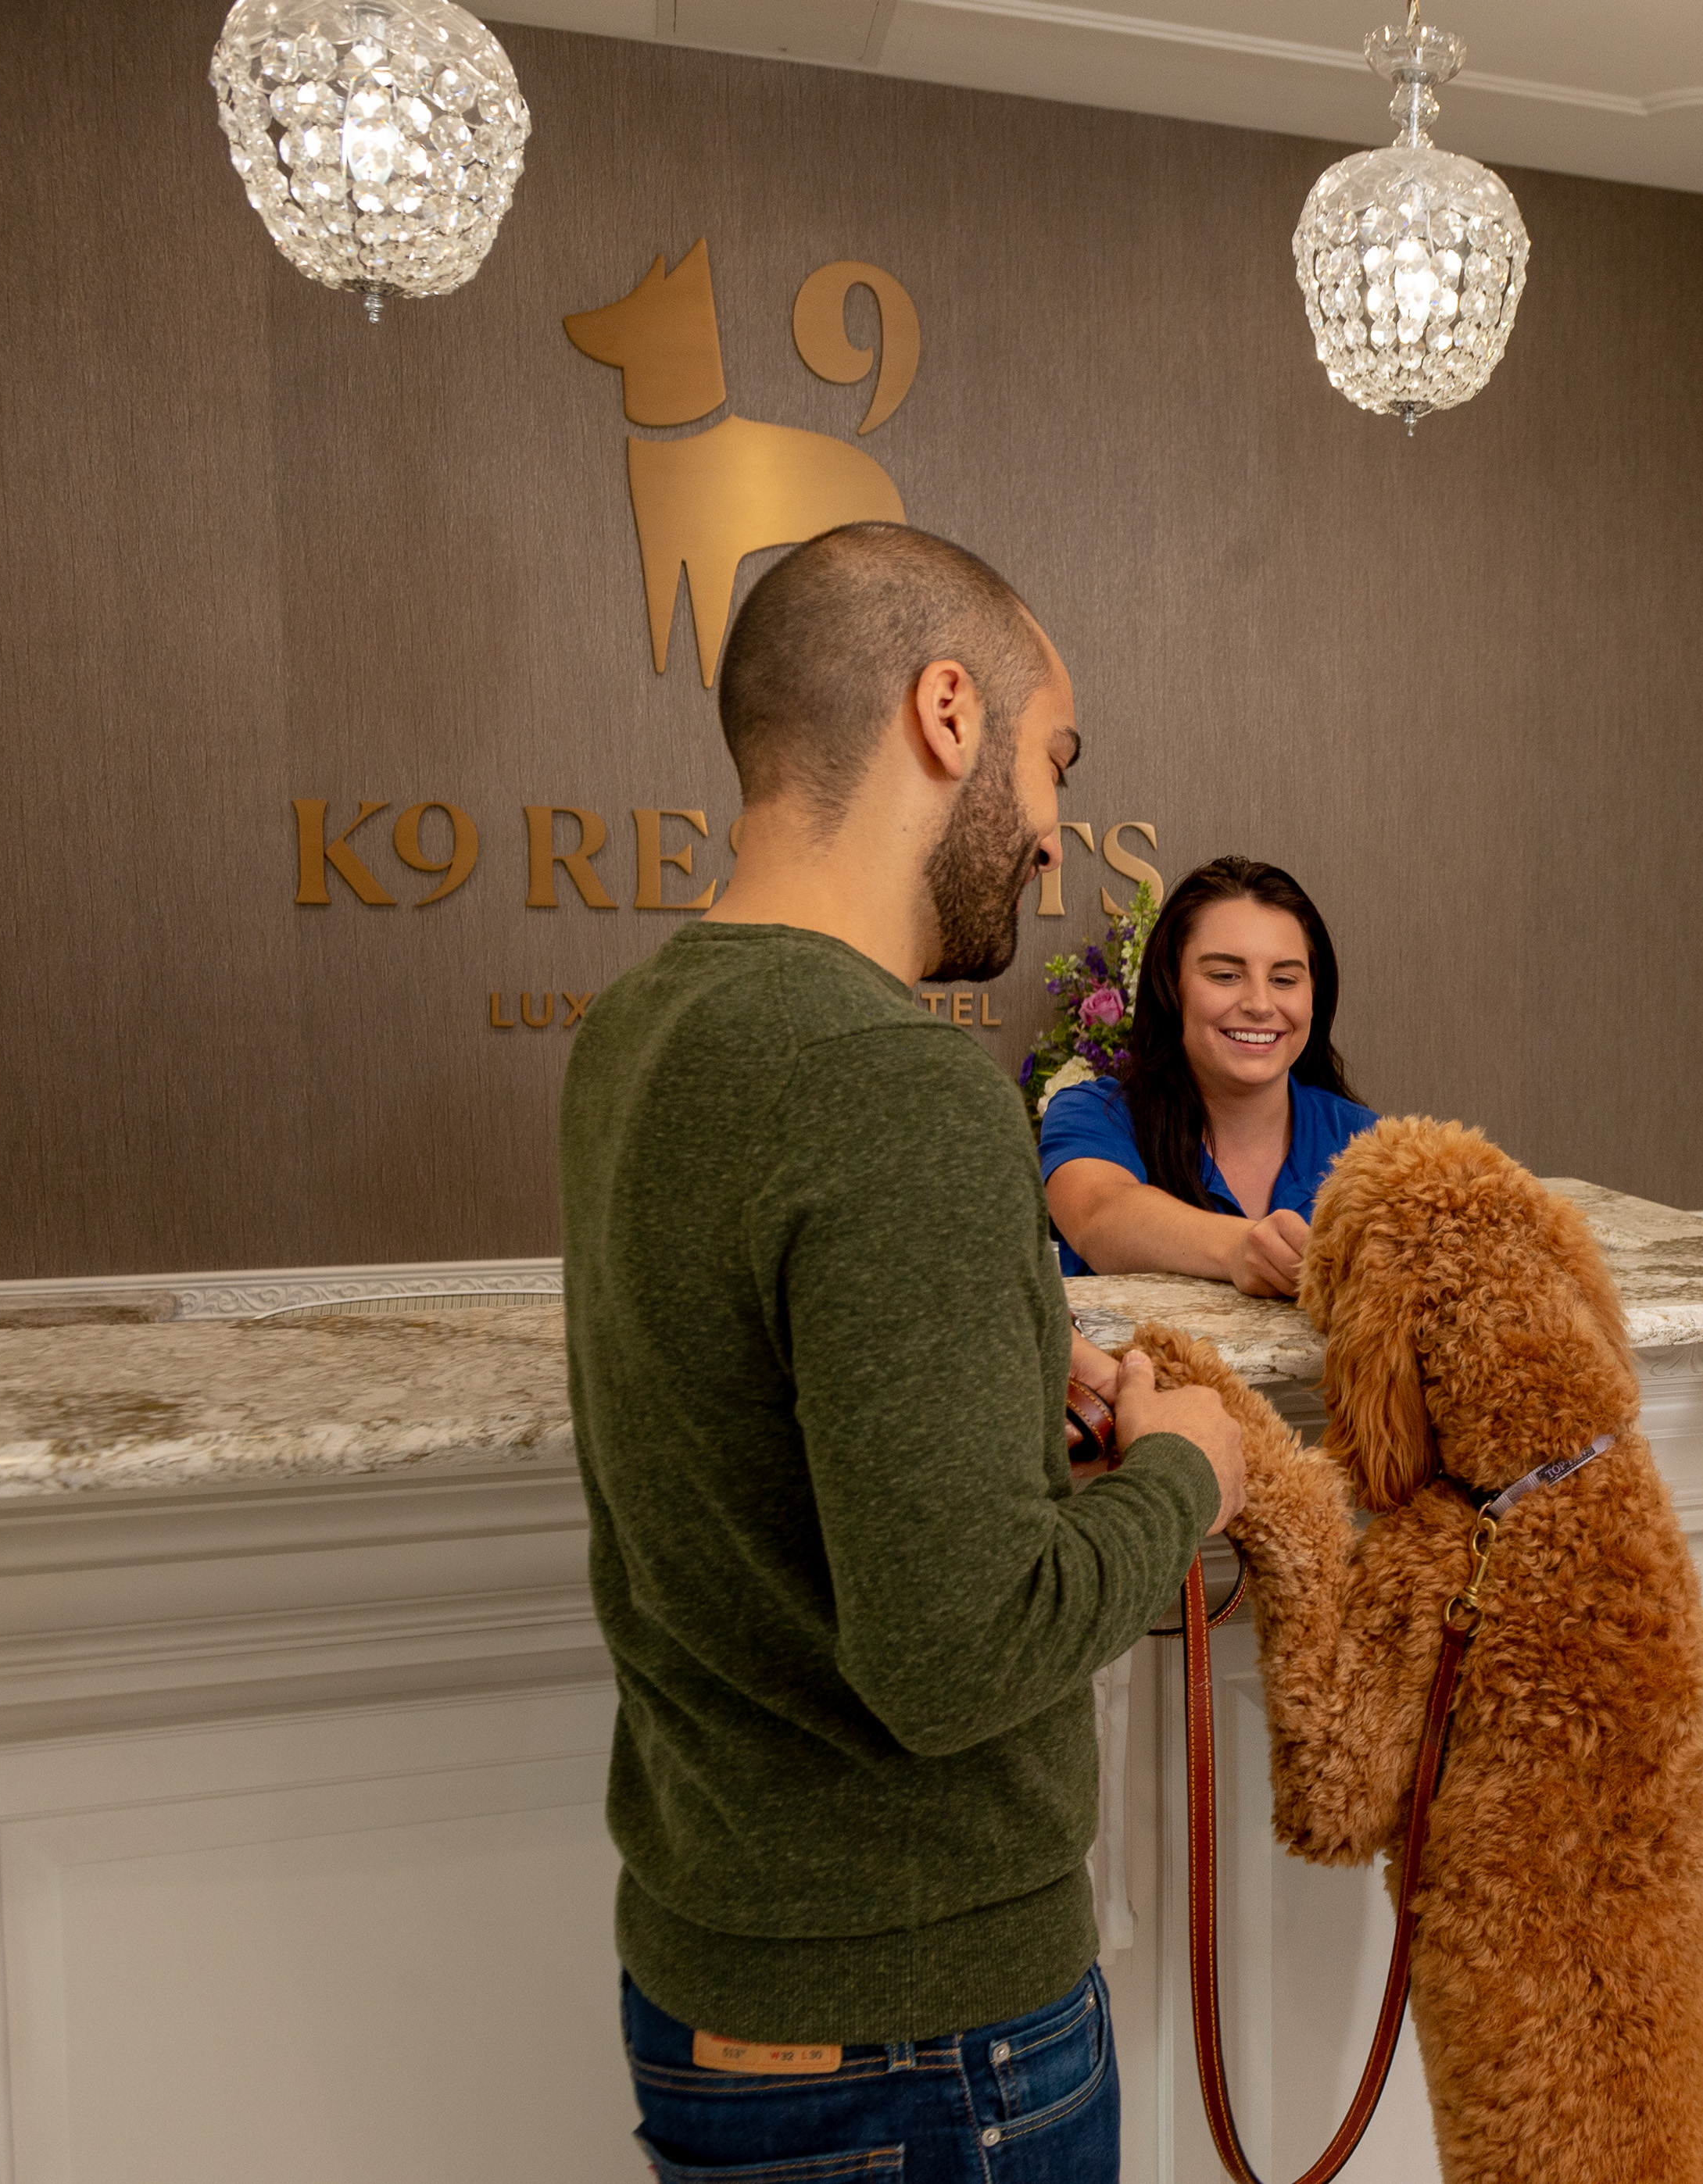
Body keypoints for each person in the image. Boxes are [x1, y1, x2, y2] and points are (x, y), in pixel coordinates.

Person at [558, 520, 1250, 2181]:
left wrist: (1008, 1374)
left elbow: (771, 1429)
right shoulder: (893, 1080)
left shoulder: (640, 1031)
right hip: (928, 2042)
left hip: (717, 1982)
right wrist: (1185, 1475)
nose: (1058, 832)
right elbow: (957, 1646)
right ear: (948, 712)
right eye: (1052, 756)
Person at [1040, 856, 1376, 1296]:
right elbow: (1099, 1216)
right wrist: (1238, 1248)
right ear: (1170, 987)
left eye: (1284, 979)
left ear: (1315, 995)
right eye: (1225, 975)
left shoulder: (1367, 1144)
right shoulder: (1092, 1114)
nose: (1259, 1003)